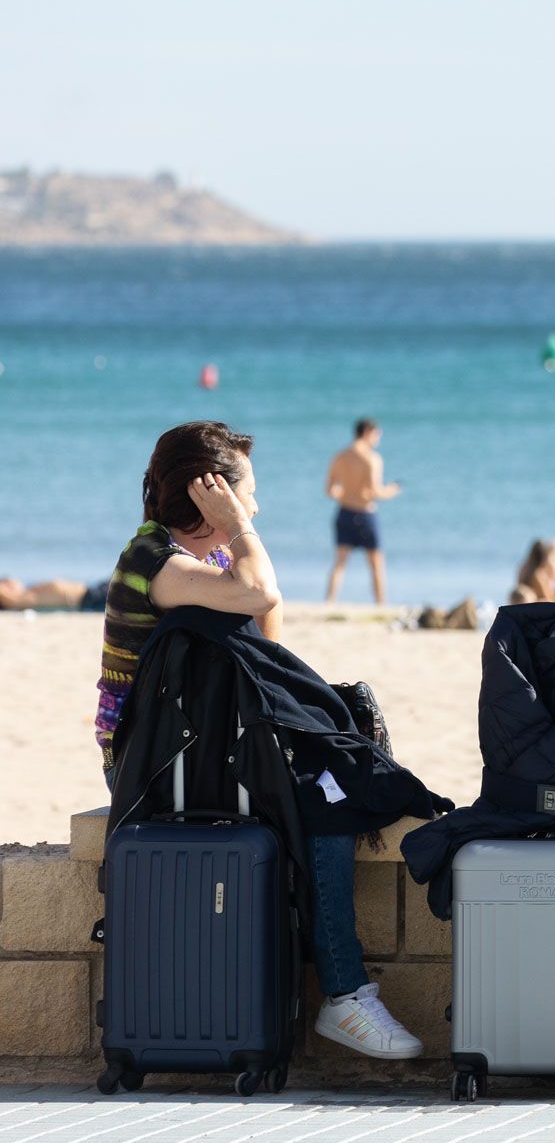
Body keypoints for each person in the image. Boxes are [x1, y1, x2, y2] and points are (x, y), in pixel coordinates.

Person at [99, 420, 424, 1061]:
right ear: (210, 495)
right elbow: (262, 595)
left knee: (330, 780)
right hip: (152, 763)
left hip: (202, 746)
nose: (256, 506)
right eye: (247, 493)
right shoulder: (154, 559)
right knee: (318, 802)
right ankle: (344, 994)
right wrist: (240, 529)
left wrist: (236, 535)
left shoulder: (206, 560)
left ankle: (342, 994)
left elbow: (265, 644)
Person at [324, 418, 402, 604]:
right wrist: (392, 490)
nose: (377, 440)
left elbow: (330, 490)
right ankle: (381, 603)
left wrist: (347, 492)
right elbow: (375, 491)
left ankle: (329, 601)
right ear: (368, 432)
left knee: (340, 563)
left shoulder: (340, 456)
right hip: (366, 514)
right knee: (376, 564)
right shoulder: (372, 459)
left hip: (344, 512)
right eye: (377, 435)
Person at [508, 537, 555, 605]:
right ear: (544, 556)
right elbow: (552, 599)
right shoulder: (539, 574)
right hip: (533, 605)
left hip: (521, 599)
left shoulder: (523, 567)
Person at [1, 577, 105, 610]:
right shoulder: (23, 599)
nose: (10, 580)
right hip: (91, 599)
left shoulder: (30, 590)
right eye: (5, 583)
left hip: (94, 590)